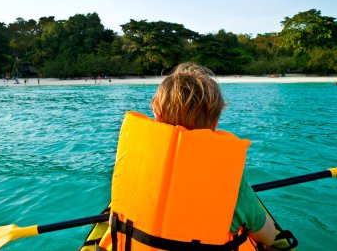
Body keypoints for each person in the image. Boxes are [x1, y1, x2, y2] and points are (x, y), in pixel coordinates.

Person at [94, 62, 276, 251]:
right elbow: (269, 237)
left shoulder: (131, 165)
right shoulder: (232, 184)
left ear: (156, 115)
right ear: (215, 123)